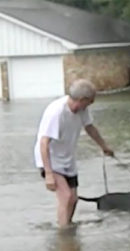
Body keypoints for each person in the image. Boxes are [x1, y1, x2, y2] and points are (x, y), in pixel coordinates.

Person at [34, 79, 114, 228]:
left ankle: (68, 227)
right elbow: (43, 143)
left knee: (74, 199)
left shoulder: (82, 110)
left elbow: (90, 128)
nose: (90, 105)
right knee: (66, 196)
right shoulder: (56, 112)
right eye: (90, 102)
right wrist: (49, 173)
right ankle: (64, 236)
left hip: (67, 159)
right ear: (82, 100)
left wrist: (104, 146)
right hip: (50, 160)